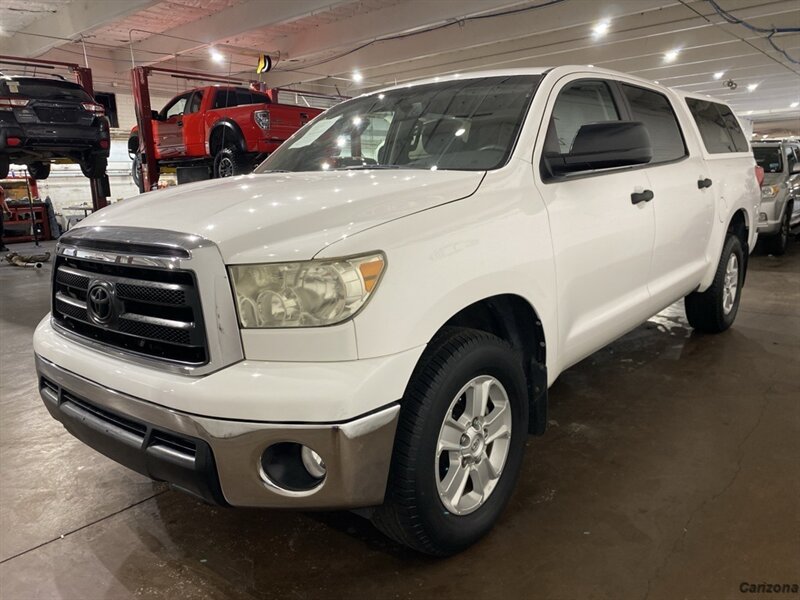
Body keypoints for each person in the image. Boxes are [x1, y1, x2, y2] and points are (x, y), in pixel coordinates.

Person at [0, 185, 10, 252]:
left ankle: (1, 246)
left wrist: (7, 210)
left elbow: (3, 200)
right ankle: (1, 246)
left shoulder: (0, 188)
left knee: (0, 229)